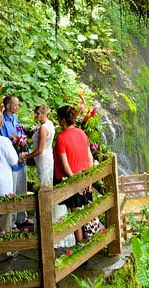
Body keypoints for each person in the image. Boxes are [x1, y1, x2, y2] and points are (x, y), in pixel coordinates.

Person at [20, 104, 74, 247]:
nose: (35, 116)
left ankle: (48, 228)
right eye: (35, 113)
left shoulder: (44, 128)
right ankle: (52, 226)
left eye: (38, 113)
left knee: (44, 189)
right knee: (47, 187)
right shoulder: (49, 124)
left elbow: (40, 149)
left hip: (44, 160)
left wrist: (26, 156)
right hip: (47, 159)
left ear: (45, 113)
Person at [54, 104, 94, 243]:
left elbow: (65, 165)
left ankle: (80, 245)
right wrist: (88, 179)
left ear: (63, 120)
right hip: (84, 177)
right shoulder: (82, 133)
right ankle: (89, 243)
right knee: (86, 213)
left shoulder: (61, 138)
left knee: (75, 215)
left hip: (72, 180)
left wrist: (75, 181)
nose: (58, 121)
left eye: (58, 119)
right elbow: (90, 157)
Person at [0, 94, 29, 228]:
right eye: (15, 105)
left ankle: (22, 218)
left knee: (22, 190)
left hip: (22, 159)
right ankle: (11, 222)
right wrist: (16, 156)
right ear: (8, 106)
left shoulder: (16, 118)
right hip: (11, 162)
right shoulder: (2, 121)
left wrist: (25, 153)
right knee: (12, 191)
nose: (17, 107)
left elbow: (21, 135)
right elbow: (5, 142)